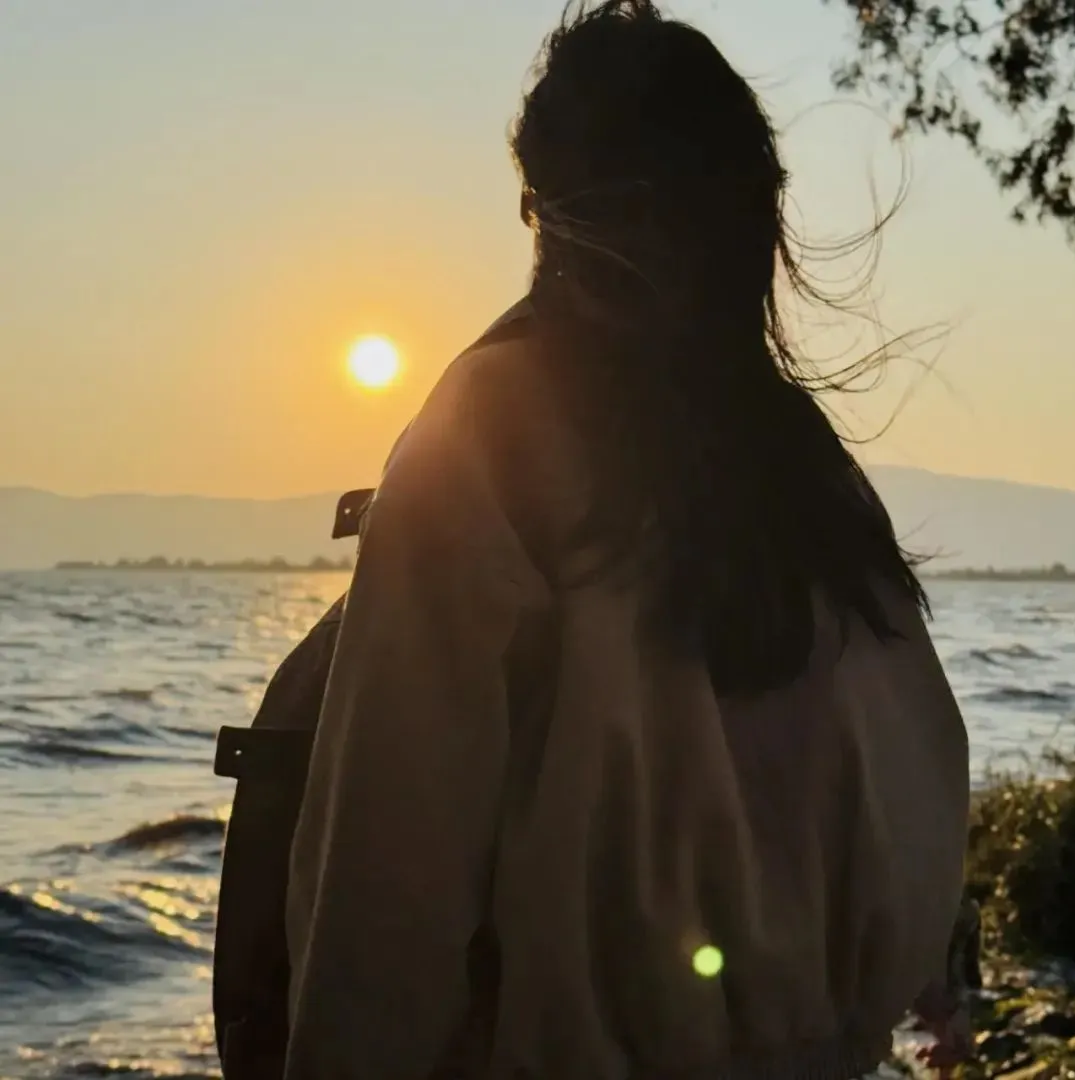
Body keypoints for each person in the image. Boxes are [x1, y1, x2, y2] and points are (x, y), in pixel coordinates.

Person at [282, 2, 971, 1078]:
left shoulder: (484, 441)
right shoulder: (815, 481)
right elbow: (918, 828)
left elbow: (384, 908)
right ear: (754, 220)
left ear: (548, 208)